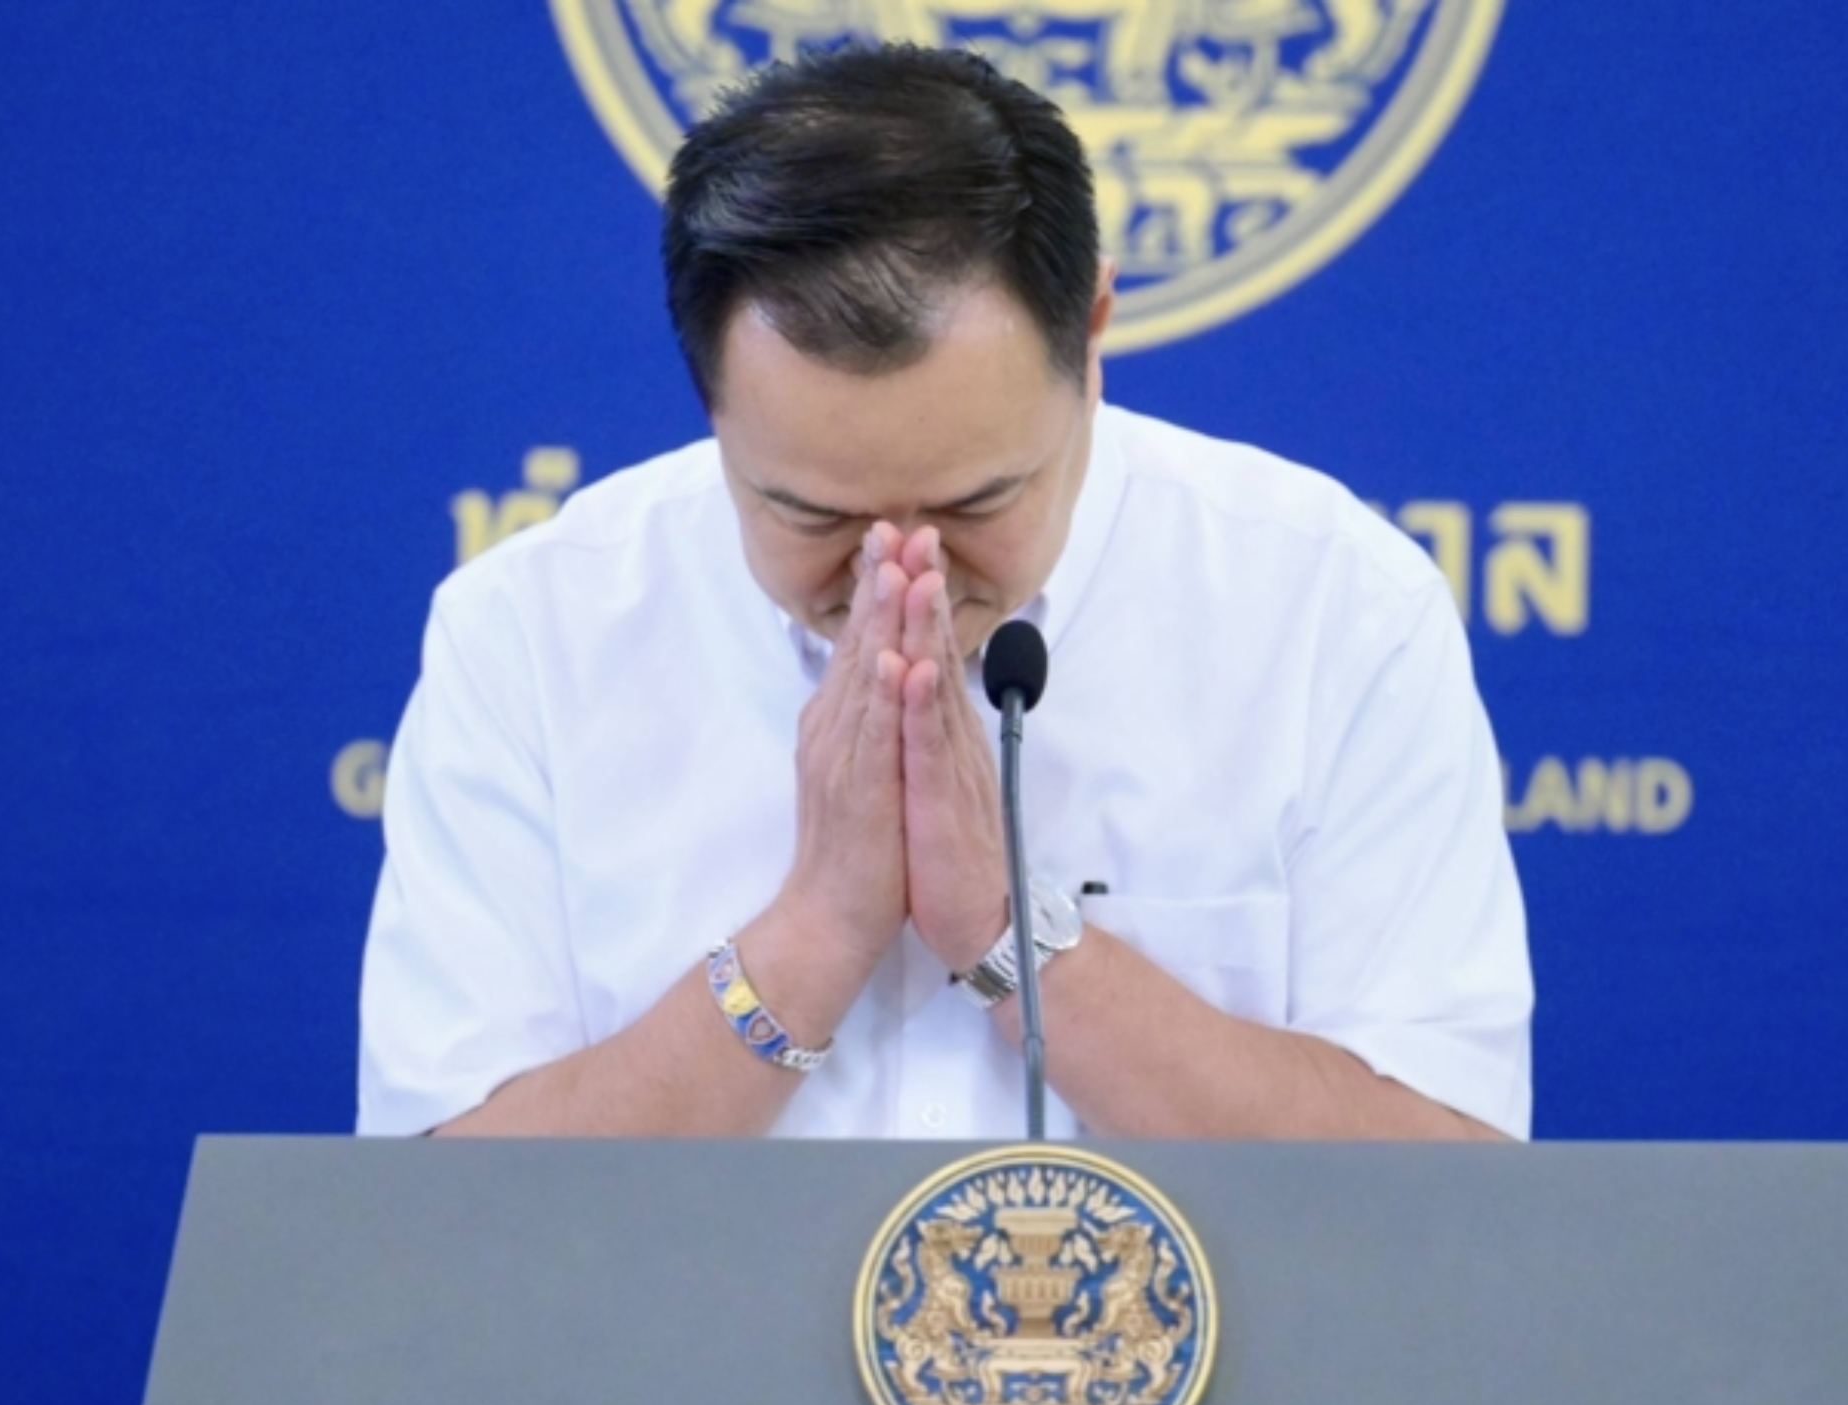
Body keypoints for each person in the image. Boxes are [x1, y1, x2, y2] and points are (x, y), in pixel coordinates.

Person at [357, 44, 1532, 1143]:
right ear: (710, 401)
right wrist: (814, 934)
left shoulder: (1332, 605)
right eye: (814, 515)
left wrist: (1009, 931)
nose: (899, 574)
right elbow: (433, 1209)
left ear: (1092, 335)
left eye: (976, 502)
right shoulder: (531, 631)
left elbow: (1450, 1169)